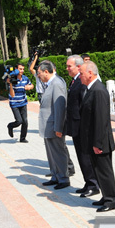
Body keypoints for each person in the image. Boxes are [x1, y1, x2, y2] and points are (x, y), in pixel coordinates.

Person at [79, 61, 115, 212]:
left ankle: (112, 200)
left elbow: (101, 120)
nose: (80, 76)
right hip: (94, 141)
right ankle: (105, 196)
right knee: (98, 171)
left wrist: (98, 143)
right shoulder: (91, 89)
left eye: (82, 73)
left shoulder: (99, 90)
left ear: (90, 73)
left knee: (104, 171)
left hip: (100, 142)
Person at [66, 55, 99, 197]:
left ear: (78, 67)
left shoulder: (82, 82)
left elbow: (85, 106)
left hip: (81, 126)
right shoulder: (75, 81)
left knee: (86, 157)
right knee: (81, 156)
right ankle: (88, 182)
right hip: (75, 125)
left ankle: (93, 184)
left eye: (69, 66)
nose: (67, 69)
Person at [38, 60, 71, 190]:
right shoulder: (52, 83)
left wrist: (59, 127)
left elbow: (59, 107)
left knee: (58, 152)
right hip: (48, 126)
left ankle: (63, 178)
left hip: (54, 126)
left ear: (46, 72)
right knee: (51, 153)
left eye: (39, 73)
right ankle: (55, 176)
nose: (38, 76)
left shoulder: (56, 83)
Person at [7, 63, 33, 143]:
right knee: (19, 121)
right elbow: (12, 94)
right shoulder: (12, 79)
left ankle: (22, 138)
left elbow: (31, 85)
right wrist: (11, 84)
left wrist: (29, 87)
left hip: (23, 103)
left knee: (25, 121)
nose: (22, 71)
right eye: (20, 69)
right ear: (16, 69)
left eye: (23, 69)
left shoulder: (25, 78)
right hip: (14, 103)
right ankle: (10, 126)